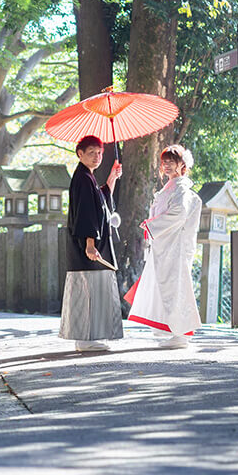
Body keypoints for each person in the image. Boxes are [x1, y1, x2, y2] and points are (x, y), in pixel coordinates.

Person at [126, 144, 202, 349]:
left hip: (175, 247)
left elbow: (178, 215)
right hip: (165, 246)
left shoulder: (181, 189)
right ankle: (171, 329)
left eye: (172, 161)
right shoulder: (170, 189)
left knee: (175, 287)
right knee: (164, 286)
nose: (167, 165)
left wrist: (151, 226)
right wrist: (152, 226)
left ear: (182, 164)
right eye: (164, 161)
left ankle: (182, 332)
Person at [59, 134, 123, 351]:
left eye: (99, 153)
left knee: (90, 290)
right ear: (80, 154)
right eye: (91, 153)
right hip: (89, 247)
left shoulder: (87, 178)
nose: (97, 157)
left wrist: (112, 178)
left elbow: (100, 202)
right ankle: (86, 339)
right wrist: (89, 243)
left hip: (91, 245)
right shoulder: (83, 179)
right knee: (88, 290)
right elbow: (87, 213)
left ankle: (87, 338)